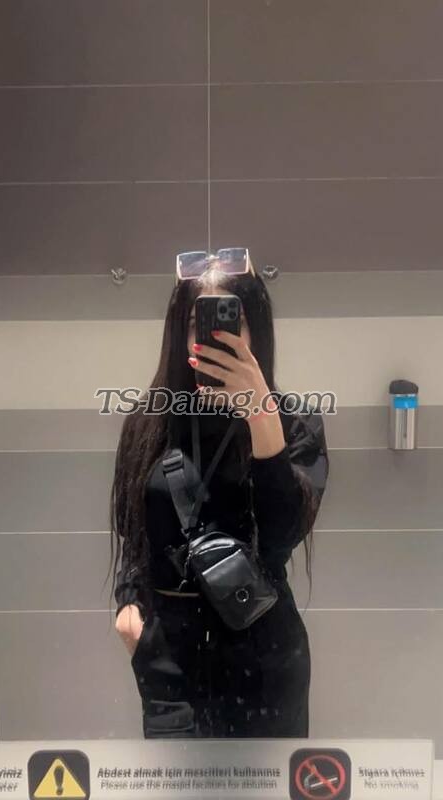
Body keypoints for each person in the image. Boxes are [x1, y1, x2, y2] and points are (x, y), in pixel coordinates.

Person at [108, 248, 329, 738]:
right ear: (178, 334)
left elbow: (279, 539)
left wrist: (260, 417)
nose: (211, 335)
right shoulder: (149, 422)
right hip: (169, 660)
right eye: (195, 323)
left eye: (233, 320)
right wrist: (128, 608)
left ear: (257, 330)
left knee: (263, 781)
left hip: (264, 656)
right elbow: (134, 535)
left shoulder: (295, 423)